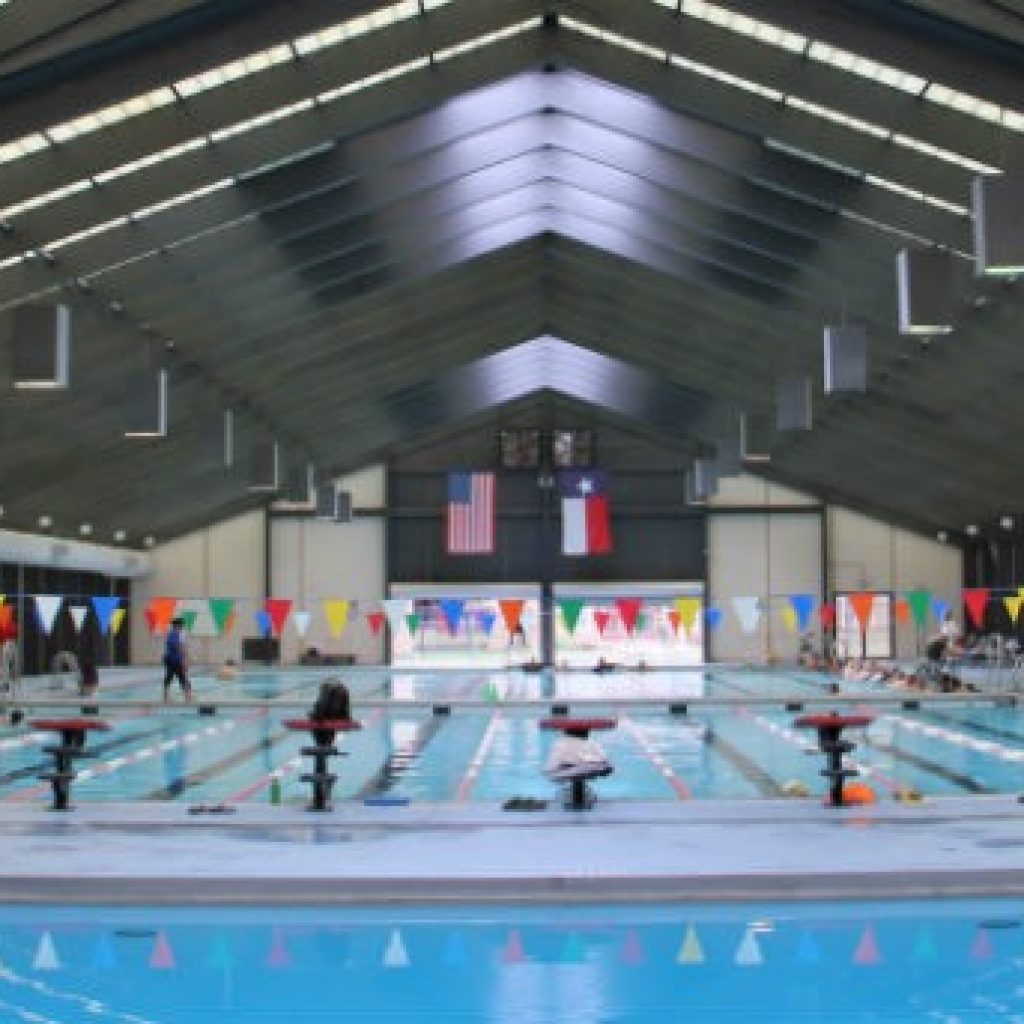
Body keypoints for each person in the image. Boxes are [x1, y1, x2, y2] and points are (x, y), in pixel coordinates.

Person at [544, 726, 613, 781]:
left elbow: (551, 766)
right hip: (591, 767)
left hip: (570, 770)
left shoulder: (561, 743)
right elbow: (605, 762)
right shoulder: (594, 744)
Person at [309, 679, 351, 747]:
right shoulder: (342, 691)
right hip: (335, 717)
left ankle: (324, 743)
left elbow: (322, 706)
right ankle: (326, 743)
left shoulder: (328, 692)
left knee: (319, 724)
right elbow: (345, 709)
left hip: (328, 718)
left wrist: (315, 716)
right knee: (327, 729)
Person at [162, 617, 192, 702]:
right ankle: (188, 696)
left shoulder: (170, 634)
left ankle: (166, 695)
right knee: (181, 677)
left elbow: (177, 647)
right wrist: (185, 659)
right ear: (178, 625)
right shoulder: (176, 634)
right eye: (182, 625)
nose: (183, 627)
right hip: (174, 659)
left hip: (169, 659)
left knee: (170, 676)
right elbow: (179, 647)